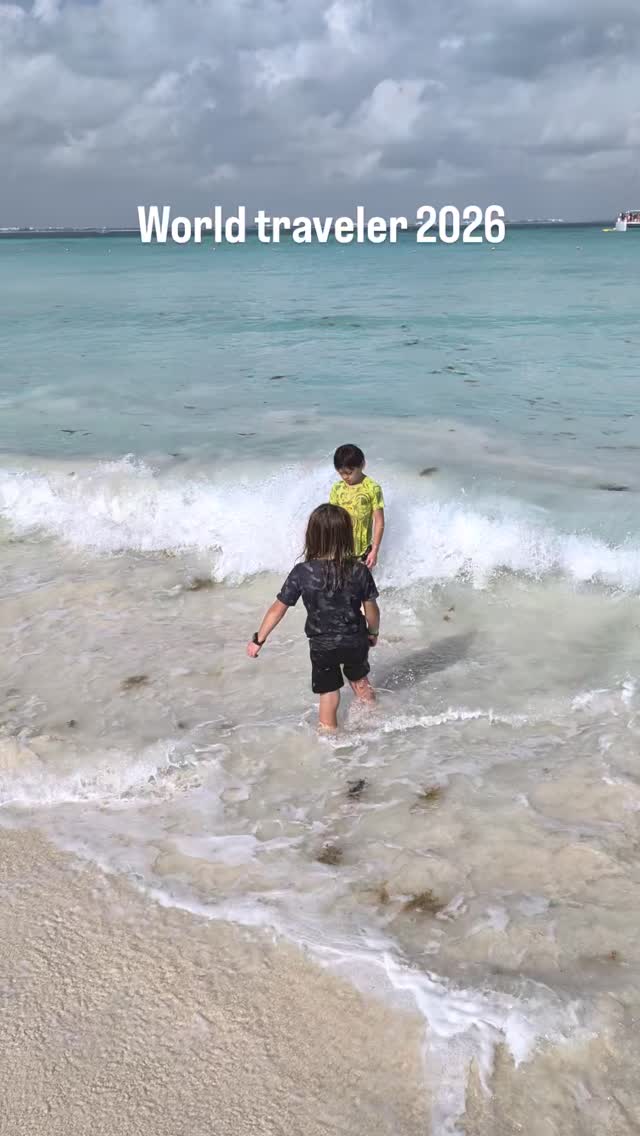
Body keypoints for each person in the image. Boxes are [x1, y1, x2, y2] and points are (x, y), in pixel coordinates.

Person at [246, 504, 380, 730]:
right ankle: (375, 724)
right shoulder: (359, 571)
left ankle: (329, 738)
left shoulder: (302, 572)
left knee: (328, 693)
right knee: (360, 682)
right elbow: (372, 609)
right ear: (346, 535)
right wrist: (373, 632)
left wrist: (258, 639)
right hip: (354, 639)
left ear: (313, 536)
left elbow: (278, 609)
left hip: (322, 645)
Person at [329, 444, 385, 570]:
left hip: (363, 552)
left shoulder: (372, 488)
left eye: (349, 473)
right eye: (341, 473)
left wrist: (375, 550)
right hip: (339, 550)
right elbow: (330, 518)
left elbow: (379, 521)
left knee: (362, 586)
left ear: (362, 465)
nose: (344, 477)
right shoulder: (337, 488)